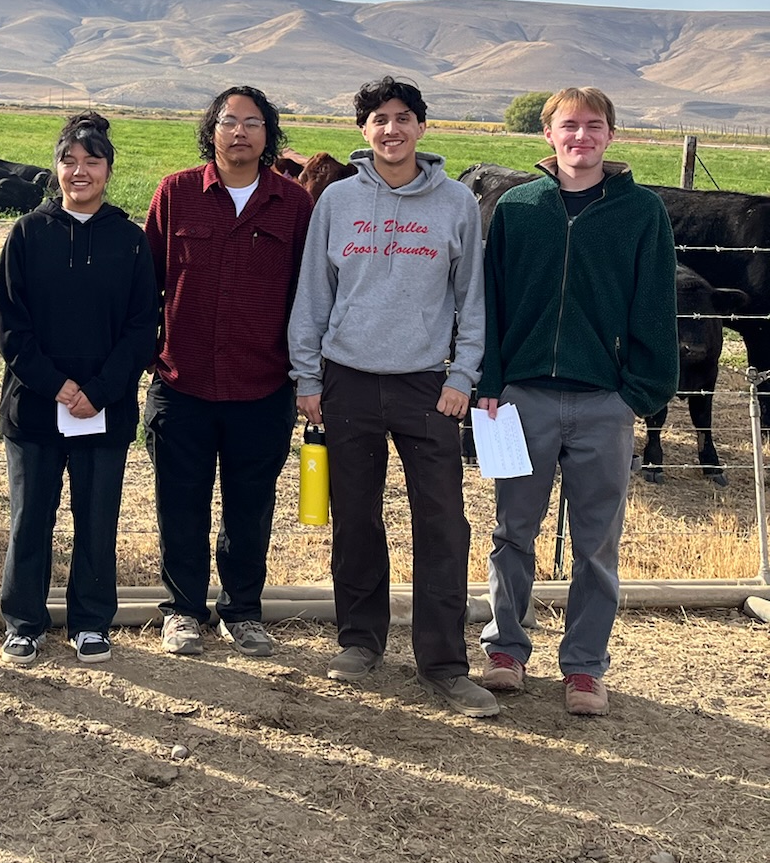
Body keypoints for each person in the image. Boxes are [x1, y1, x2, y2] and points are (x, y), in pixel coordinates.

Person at [288, 78, 497, 716]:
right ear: (363, 130)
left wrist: (462, 376)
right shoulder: (339, 201)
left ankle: (444, 662)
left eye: (404, 118)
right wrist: (309, 377)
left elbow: (471, 298)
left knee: (443, 524)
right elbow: (314, 293)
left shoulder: (457, 202)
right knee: (354, 518)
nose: (391, 130)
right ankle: (360, 640)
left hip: (426, 386)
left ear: (422, 128)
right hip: (347, 379)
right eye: (379, 119)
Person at [477, 87, 677, 716]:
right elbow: (490, 302)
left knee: (596, 541)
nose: (580, 137)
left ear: (611, 136)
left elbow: (655, 307)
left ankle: (585, 667)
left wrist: (639, 394)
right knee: (512, 531)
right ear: (548, 135)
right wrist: (491, 384)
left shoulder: (642, 213)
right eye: (569, 126)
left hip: (603, 405)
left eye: (594, 126)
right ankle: (505, 649)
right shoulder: (517, 208)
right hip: (520, 402)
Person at [144, 85, 311, 658]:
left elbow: (308, 293)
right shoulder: (177, 193)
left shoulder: (292, 203)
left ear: (270, 134)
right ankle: (183, 611)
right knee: (179, 500)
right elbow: (148, 283)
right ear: (210, 130)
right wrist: (153, 355)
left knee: (250, 504)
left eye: (253, 122)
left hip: (262, 384)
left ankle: (242, 611)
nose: (240, 131)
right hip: (181, 382)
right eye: (228, 121)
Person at [0, 113, 158, 665]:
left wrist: (100, 390)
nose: (79, 171)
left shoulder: (130, 241)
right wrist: (61, 387)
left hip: (104, 409)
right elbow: (11, 326)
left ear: (109, 170)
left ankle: (91, 621)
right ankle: (24, 621)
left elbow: (142, 328)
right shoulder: (27, 234)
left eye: (92, 161)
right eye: (69, 161)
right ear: (56, 167)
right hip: (36, 408)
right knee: (29, 516)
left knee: (96, 516)